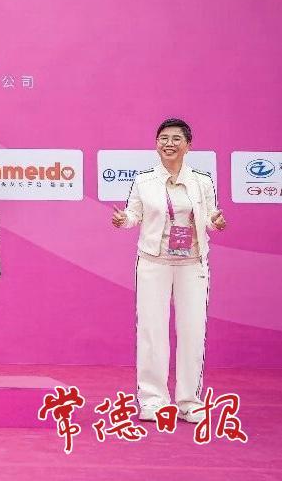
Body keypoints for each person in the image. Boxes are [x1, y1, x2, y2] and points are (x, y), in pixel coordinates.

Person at [112, 117, 226, 422]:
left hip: (192, 263)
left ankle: (189, 401)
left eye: (176, 138)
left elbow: (210, 216)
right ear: (156, 144)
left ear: (188, 145)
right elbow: (133, 214)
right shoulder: (144, 181)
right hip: (154, 261)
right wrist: (123, 219)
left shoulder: (202, 181)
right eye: (164, 138)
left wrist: (216, 221)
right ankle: (153, 400)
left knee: (193, 331)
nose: (169, 143)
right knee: (152, 331)